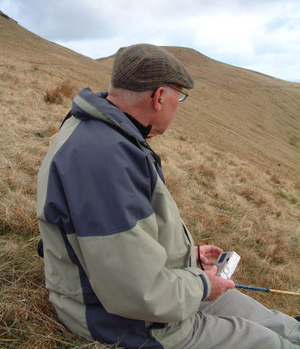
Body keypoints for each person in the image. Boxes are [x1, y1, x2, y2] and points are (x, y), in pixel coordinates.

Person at [37, 43, 300, 349]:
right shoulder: (104, 159)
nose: (179, 105)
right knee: (271, 342)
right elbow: (135, 291)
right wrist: (202, 285)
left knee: (282, 325)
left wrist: (187, 255)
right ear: (159, 96)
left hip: (168, 289)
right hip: (130, 321)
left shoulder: (112, 132)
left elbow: (123, 242)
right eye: (180, 96)